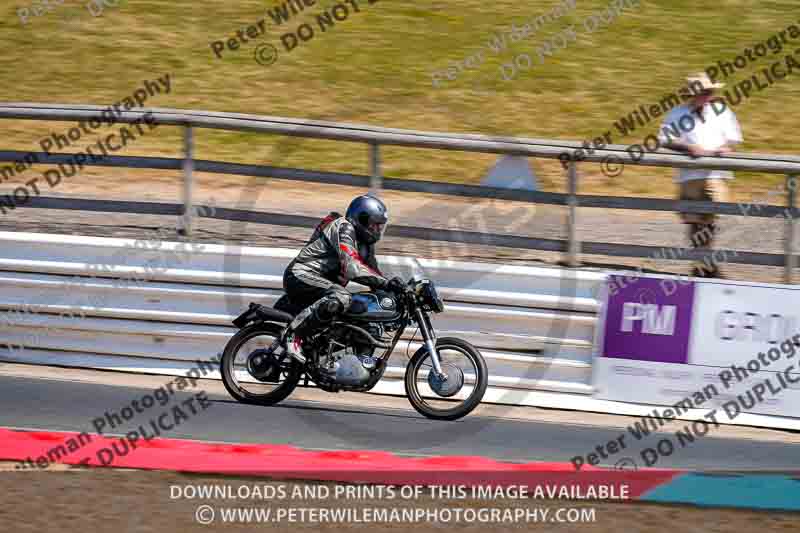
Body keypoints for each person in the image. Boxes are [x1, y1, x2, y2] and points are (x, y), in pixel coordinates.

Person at [277, 194, 405, 363]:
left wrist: (399, 293)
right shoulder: (344, 228)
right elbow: (352, 268)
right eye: (374, 225)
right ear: (361, 219)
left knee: (364, 308)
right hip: (301, 276)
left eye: (380, 226)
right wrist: (387, 283)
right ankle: (294, 336)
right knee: (342, 297)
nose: (377, 230)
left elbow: (373, 274)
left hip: (323, 286)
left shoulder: (365, 245)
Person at [658, 72, 743, 278]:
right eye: (703, 92)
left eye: (709, 92)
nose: (707, 95)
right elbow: (664, 139)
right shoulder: (677, 113)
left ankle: (704, 264)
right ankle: (703, 266)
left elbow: (733, 137)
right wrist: (688, 147)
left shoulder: (722, 110)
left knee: (711, 220)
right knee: (694, 221)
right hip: (690, 175)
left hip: (715, 173)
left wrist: (725, 147)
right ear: (692, 94)